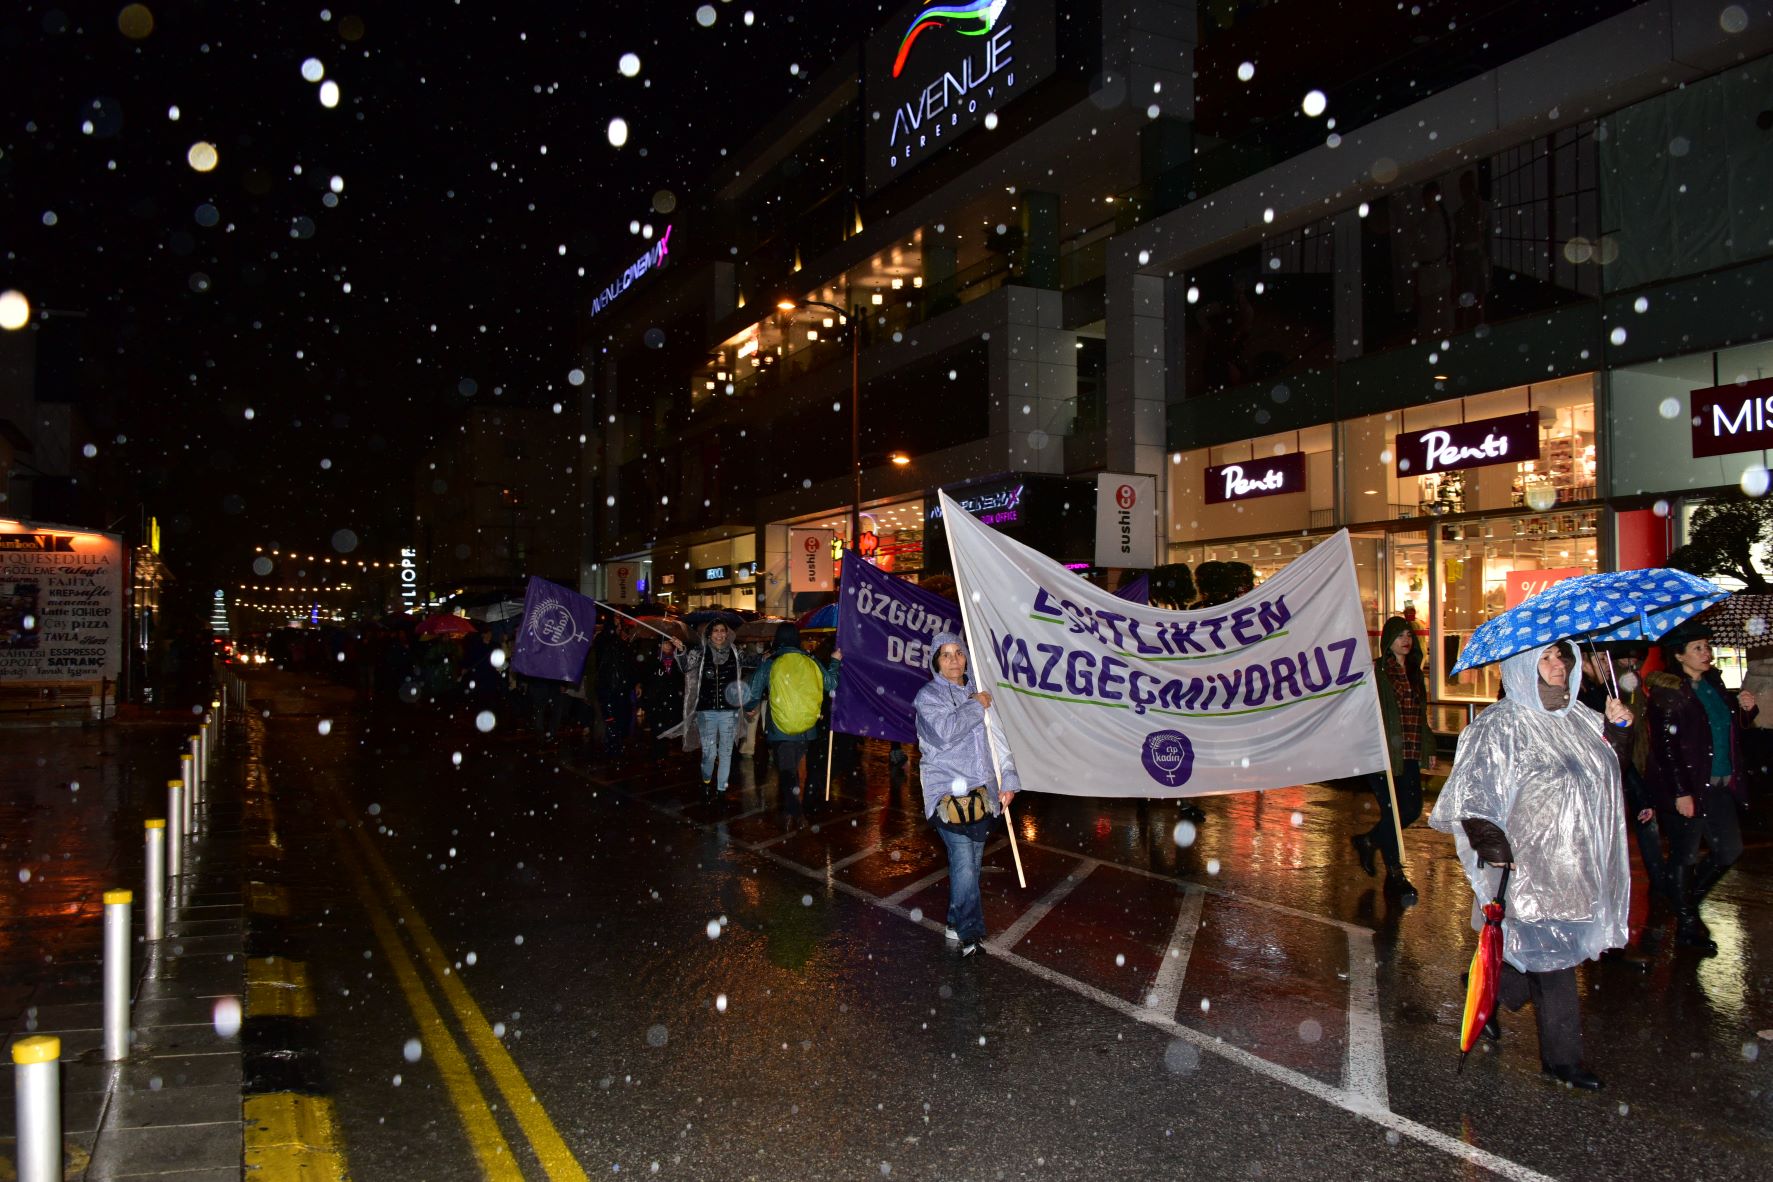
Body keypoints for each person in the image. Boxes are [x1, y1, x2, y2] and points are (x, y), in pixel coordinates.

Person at [1428, 640, 1632, 1091]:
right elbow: (1473, 792)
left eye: (1563, 657)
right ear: (1523, 665)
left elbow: (1610, 774)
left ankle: (1485, 993)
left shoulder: (1583, 718)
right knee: (1555, 960)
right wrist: (1491, 843)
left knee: (1542, 953)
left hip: (1579, 865)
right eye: (1546, 657)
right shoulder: (1501, 725)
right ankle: (1562, 1060)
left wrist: (1619, 732)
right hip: (1529, 867)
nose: (1558, 665)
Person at [1645, 622, 1758, 956]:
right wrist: (1681, 792)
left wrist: (1745, 711)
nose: (1706, 653)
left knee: (1729, 851)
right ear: (1678, 656)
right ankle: (1686, 924)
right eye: (1697, 648)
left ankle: (1685, 903)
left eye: (1706, 646)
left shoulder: (1714, 683)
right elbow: (1666, 749)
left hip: (1720, 783)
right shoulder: (1668, 693)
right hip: (1689, 788)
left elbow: (1729, 728)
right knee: (1686, 854)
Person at [914, 633, 1021, 957]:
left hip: (983, 794)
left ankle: (952, 920)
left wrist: (1009, 779)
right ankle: (971, 935)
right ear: (935, 661)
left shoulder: (982, 693)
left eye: (958, 653)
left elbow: (999, 739)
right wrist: (976, 705)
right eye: (945, 655)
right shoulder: (928, 697)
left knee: (971, 866)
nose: (953, 660)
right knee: (963, 862)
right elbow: (945, 732)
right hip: (946, 794)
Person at [1577, 645, 1670, 955]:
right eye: (1599, 658)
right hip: (1586, 800)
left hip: (1607, 796)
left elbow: (1619, 759)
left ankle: (1603, 941)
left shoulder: (1608, 692)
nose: (1607, 664)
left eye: (1607, 658)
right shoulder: (1583, 699)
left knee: (1604, 870)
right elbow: (1607, 760)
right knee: (1591, 872)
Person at [1351, 616, 1434, 903]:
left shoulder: (1414, 672)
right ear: (1388, 641)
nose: (1406, 640)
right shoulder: (1377, 672)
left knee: (1410, 809)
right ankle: (1396, 875)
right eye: (1399, 635)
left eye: (1409, 635)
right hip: (1384, 755)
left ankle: (1369, 840)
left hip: (1409, 753)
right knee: (1396, 813)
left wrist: (1429, 748)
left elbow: (1420, 715)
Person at [744, 623, 839, 827]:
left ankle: (797, 814)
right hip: (806, 728)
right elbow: (831, 684)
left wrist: (750, 707)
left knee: (787, 772)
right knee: (796, 770)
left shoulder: (771, 662)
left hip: (780, 728)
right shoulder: (810, 660)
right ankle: (791, 811)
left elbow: (753, 689)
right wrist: (835, 662)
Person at [671, 621, 746, 802]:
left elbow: (753, 662)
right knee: (709, 753)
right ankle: (706, 781)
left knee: (726, 752)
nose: (719, 634)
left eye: (723, 631)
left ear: (727, 634)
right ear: (709, 634)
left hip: (729, 711)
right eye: (716, 631)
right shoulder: (700, 652)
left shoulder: (736, 652)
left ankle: (721, 790)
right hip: (706, 711)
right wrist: (681, 651)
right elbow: (685, 667)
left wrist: (764, 654)